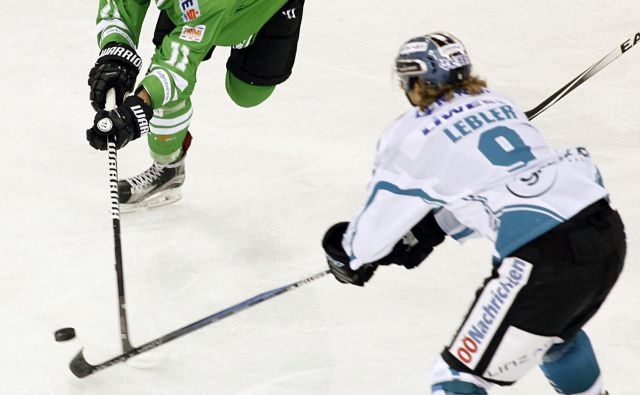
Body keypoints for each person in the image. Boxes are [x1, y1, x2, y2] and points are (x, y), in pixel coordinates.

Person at [321, 32, 625, 395]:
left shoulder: (410, 134)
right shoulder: (499, 102)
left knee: (458, 381)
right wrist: (432, 228)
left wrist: (348, 256)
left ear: (414, 81)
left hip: (546, 257)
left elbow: (369, 239)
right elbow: (496, 184)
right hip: (604, 232)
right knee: (558, 342)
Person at [86, 0, 305, 209]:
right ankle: (168, 169)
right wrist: (116, 51)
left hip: (256, 8)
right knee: (163, 83)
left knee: (246, 92)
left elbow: (178, 67)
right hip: (199, 10)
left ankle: (248, 25)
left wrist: (140, 105)